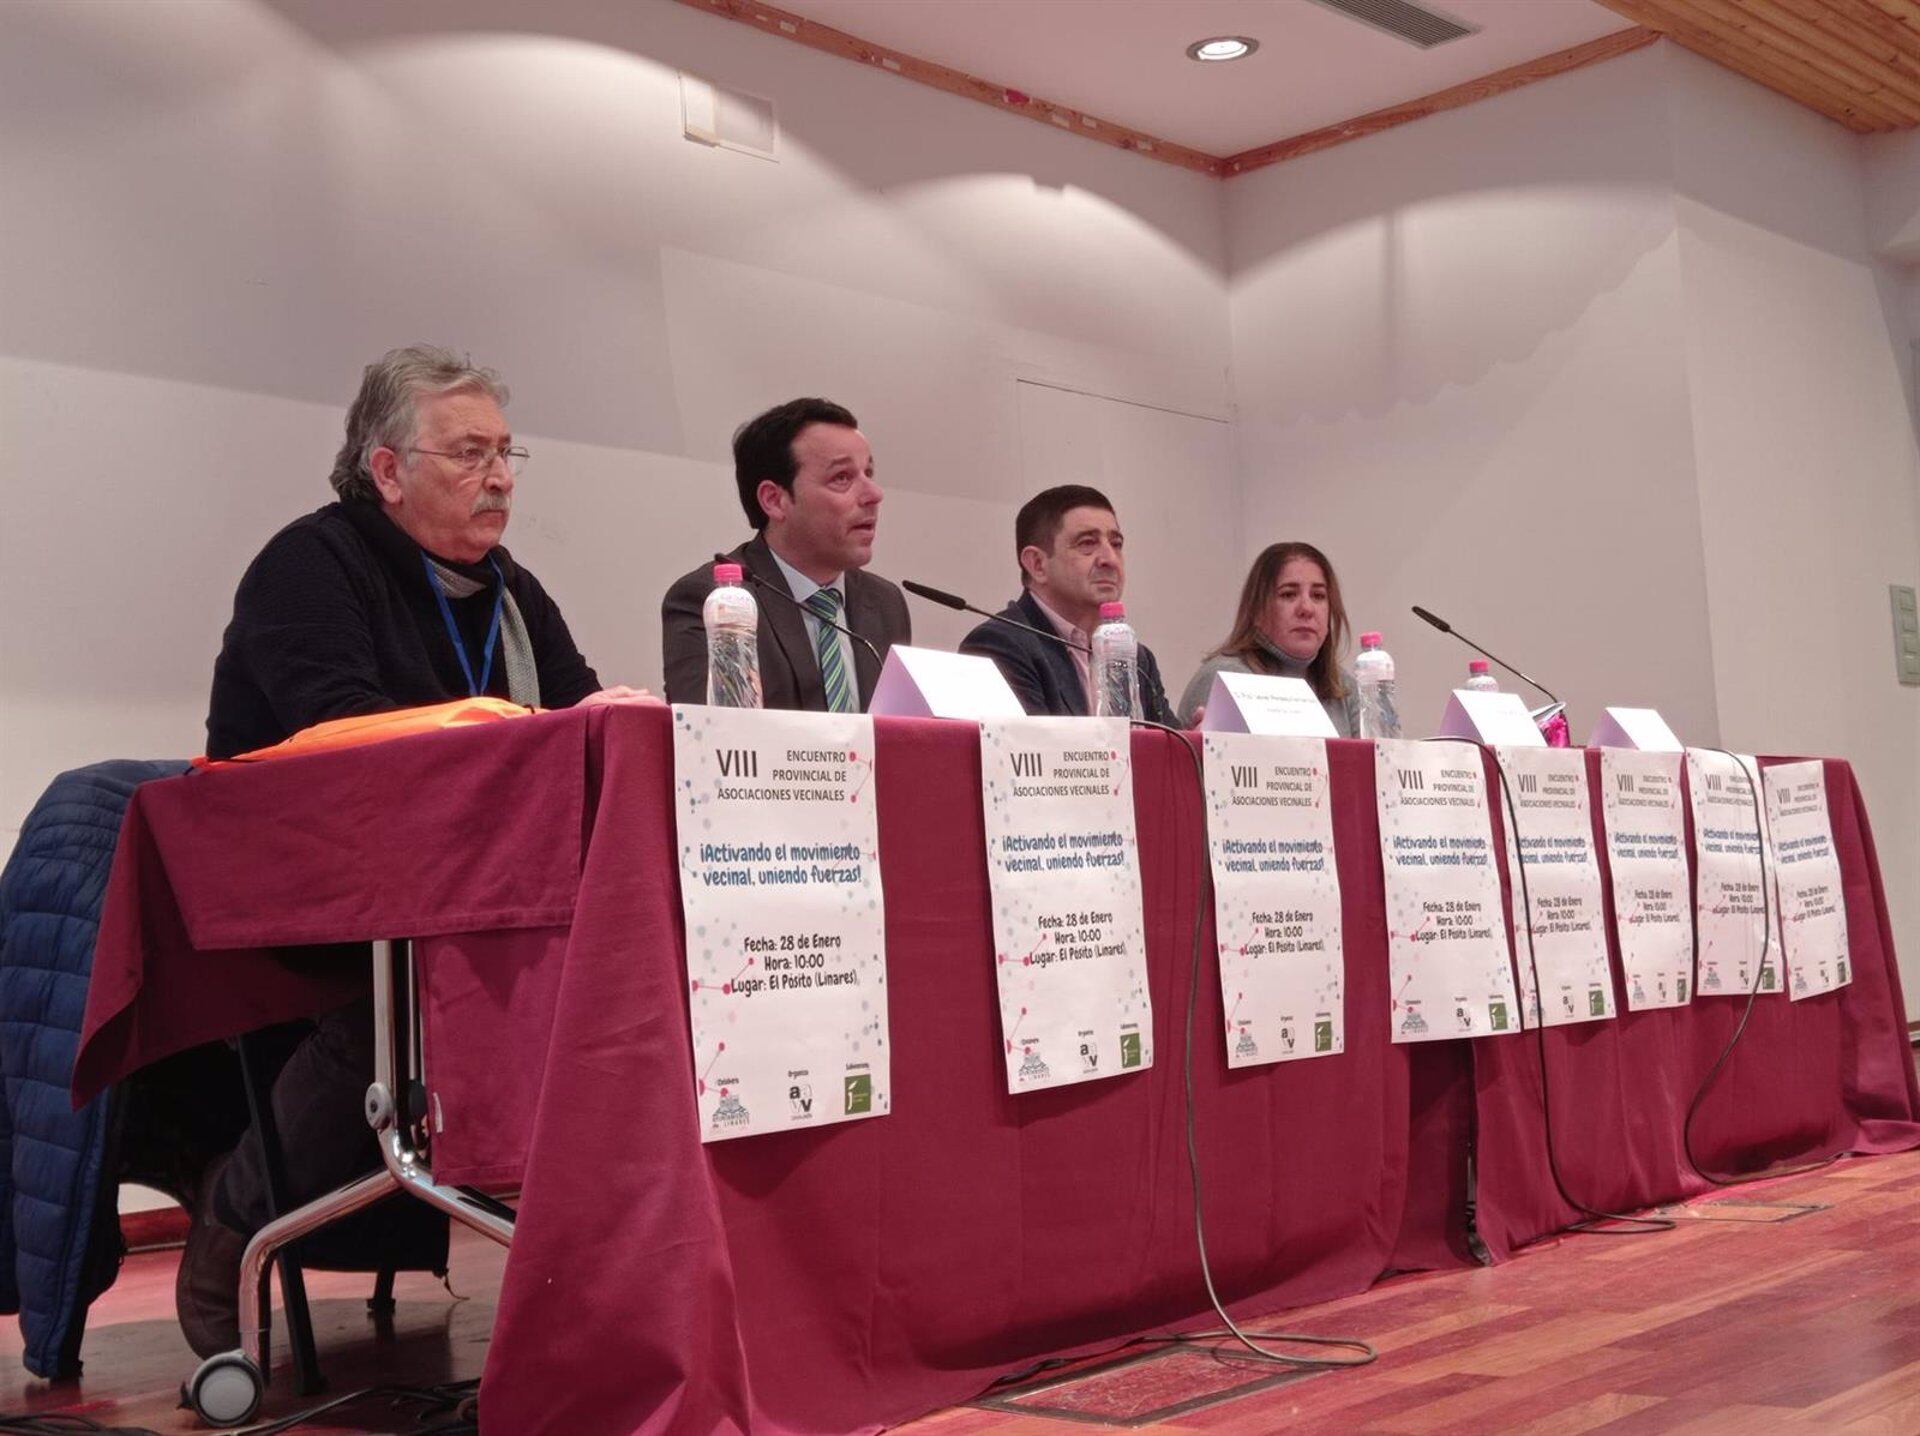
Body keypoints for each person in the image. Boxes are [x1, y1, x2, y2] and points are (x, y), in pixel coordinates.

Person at [184, 345, 652, 1357]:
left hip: (468, 867)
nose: (500, 476)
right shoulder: (310, 564)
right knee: (423, 981)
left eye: (506, 453)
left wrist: (609, 717)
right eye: (469, 453)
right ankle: (233, 1220)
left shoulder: (510, 587)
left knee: (626, 958)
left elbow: (569, 709)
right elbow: (336, 731)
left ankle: (605, 1246)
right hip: (306, 872)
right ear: (388, 469)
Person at [661, 398, 910, 710]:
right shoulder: (714, 599)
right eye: (842, 477)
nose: (874, 494)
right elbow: (714, 738)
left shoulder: (886, 603)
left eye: (868, 473)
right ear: (774, 500)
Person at [958, 485, 1176, 726]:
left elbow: (1170, 752)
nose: (1110, 560)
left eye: (1116, 544)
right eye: (1087, 543)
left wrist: (1198, 742)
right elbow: (1037, 755)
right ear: (1038, 564)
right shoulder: (1000, 646)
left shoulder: (1136, 656)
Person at [1178, 541, 1359, 736]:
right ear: (1257, 610)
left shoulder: (1343, 686)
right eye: (1289, 594)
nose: (1306, 608)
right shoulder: (1226, 677)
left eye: (1318, 595)